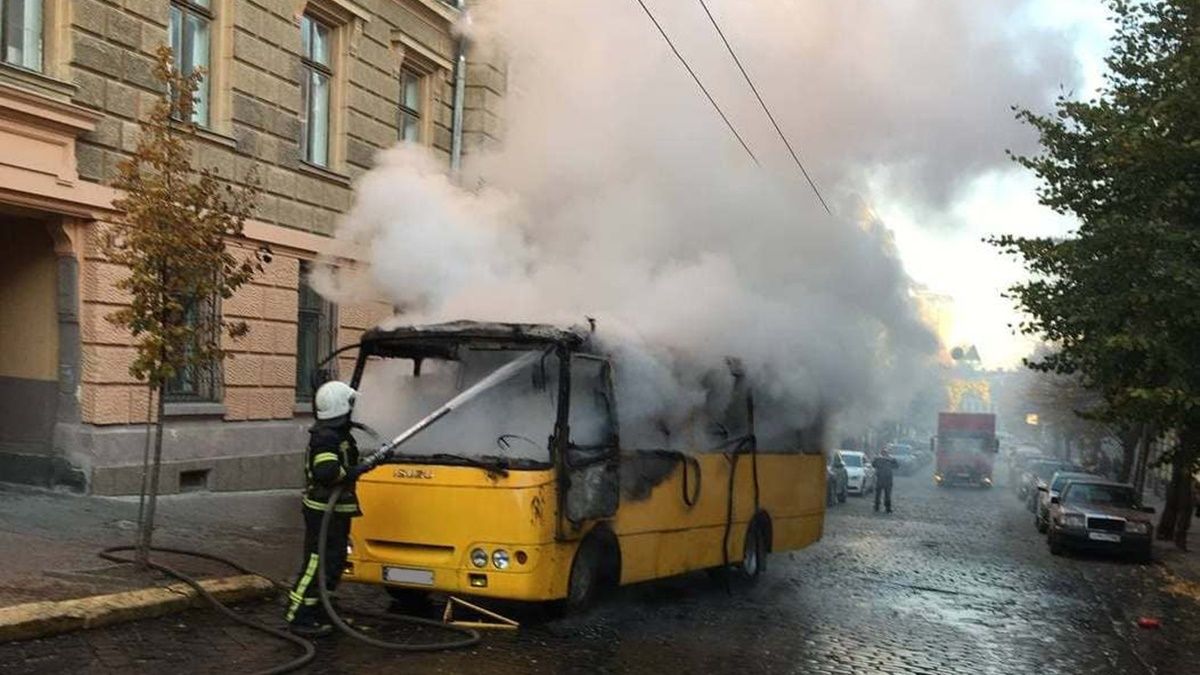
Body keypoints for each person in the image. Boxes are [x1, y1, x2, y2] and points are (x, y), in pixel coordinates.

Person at [285, 381, 367, 637]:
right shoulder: (325, 437)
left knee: (334, 562)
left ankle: (322, 609)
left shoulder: (337, 434)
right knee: (316, 563)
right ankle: (299, 614)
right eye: (351, 405)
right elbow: (326, 472)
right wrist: (354, 471)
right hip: (323, 512)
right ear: (343, 407)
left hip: (336, 512)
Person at [873, 447, 899, 513]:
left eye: (885, 453)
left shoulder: (890, 459)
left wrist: (892, 460)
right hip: (881, 479)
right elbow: (873, 464)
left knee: (886, 495)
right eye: (883, 453)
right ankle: (878, 506)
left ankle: (886, 507)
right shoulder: (879, 459)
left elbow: (896, 466)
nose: (884, 454)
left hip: (886, 479)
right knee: (880, 494)